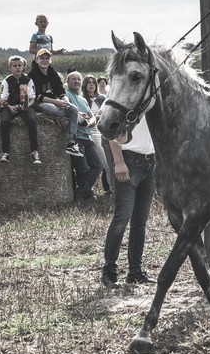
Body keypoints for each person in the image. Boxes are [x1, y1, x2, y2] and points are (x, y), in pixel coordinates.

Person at [102, 115, 157, 287]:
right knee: (122, 217)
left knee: (140, 221)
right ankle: (109, 270)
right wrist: (118, 162)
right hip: (130, 160)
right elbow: (111, 131)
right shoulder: (128, 98)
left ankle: (135, 271)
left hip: (152, 161)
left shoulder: (154, 101)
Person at [29, 48, 82, 156]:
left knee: (74, 109)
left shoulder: (53, 73)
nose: (44, 60)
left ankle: (71, 142)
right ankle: (78, 118)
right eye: (42, 58)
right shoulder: (32, 75)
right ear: (37, 59)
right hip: (39, 102)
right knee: (53, 110)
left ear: (50, 60)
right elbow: (37, 96)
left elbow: (60, 90)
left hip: (54, 100)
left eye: (47, 58)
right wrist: (57, 102)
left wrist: (65, 100)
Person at [65, 72, 105, 199]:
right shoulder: (66, 95)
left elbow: (92, 118)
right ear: (68, 82)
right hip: (76, 138)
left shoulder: (83, 100)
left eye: (78, 79)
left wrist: (89, 122)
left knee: (98, 166)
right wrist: (83, 119)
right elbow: (70, 111)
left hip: (88, 138)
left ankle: (81, 191)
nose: (76, 81)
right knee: (83, 169)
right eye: (73, 79)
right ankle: (86, 193)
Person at [0, 56, 41, 164]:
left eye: (19, 65)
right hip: (10, 105)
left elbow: (32, 97)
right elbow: (2, 99)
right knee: (5, 122)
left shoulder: (28, 80)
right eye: (14, 66)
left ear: (23, 67)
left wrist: (27, 106)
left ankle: (34, 151)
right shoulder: (6, 81)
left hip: (24, 106)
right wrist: (9, 107)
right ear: (10, 68)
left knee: (31, 120)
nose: (17, 68)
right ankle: (5, 153)